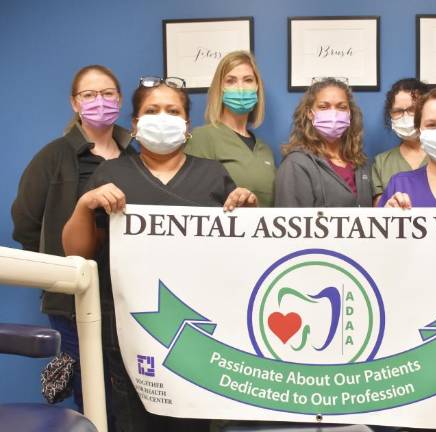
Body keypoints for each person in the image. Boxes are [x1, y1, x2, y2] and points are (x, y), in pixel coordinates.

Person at [62, 76, 257, 432]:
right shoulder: (112, 173)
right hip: (130, 336)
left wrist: (245, 213)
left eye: (173, 111)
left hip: (198, 336)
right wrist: (84, 205)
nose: (162, 117)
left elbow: (240, 260)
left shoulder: (212, 175)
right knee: (134, 422)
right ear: (135, 125)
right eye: (152, 111)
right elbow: (77, 253)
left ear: (186, 125)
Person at [11, 64, 133, 413]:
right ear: (75, 103)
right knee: (90, 386)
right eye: (89, 95)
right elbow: (25, 222)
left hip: (125, 293)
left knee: (125, 386)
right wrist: (56, 269)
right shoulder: (55, 155)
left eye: (108, 93)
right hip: (72, 296)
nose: (100, 101)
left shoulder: (134, 154)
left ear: (119, 99)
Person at [185, 51, 276, 207]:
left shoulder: (264, 149)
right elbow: (190, 198)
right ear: (220, 89)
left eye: (248, 80)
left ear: (257, 88)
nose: (240, 88)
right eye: (231, 81)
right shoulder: (202, 137)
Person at [275, 77, 373, 207]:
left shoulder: (361, 163)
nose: (333, 113)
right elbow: (289, 223)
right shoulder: (296, 164)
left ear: (349, 113)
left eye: (341, 107)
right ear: (310, 113)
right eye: (323, 107)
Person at [372, 78, 430, 205]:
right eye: (398, 111)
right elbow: (379, 210)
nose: (406, 116)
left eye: (413, 109)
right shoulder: (382, 163)